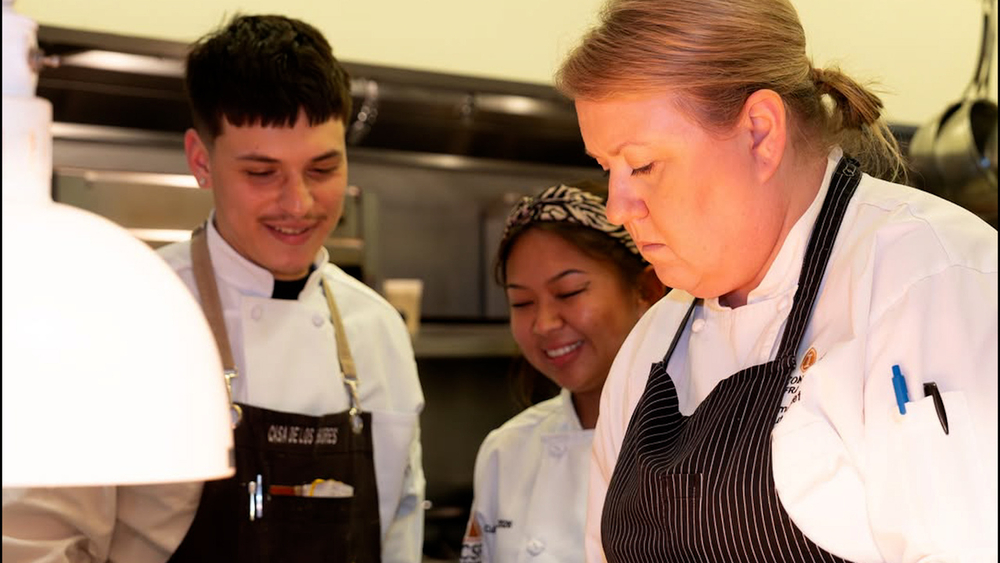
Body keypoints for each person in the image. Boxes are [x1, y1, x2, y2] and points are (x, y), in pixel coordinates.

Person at [556, 1, 999, 561]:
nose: (617, 207)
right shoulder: (652, 342)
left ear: (761, 134)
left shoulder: (927, 280)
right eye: (607, 169)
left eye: (642, 165)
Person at [2, 14, 425, 563]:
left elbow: (401, 526)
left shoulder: (379, 329)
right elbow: (42, 542)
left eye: (323, 169)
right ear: (201, 161)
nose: (298, 203)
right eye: (262, 173)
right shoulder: (129, 314)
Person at [460, 183, 666, 563]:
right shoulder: (506, 450)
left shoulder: (698, 445)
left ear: (646, 291)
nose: (543, 324)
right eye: (521, 302)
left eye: (569, 292)